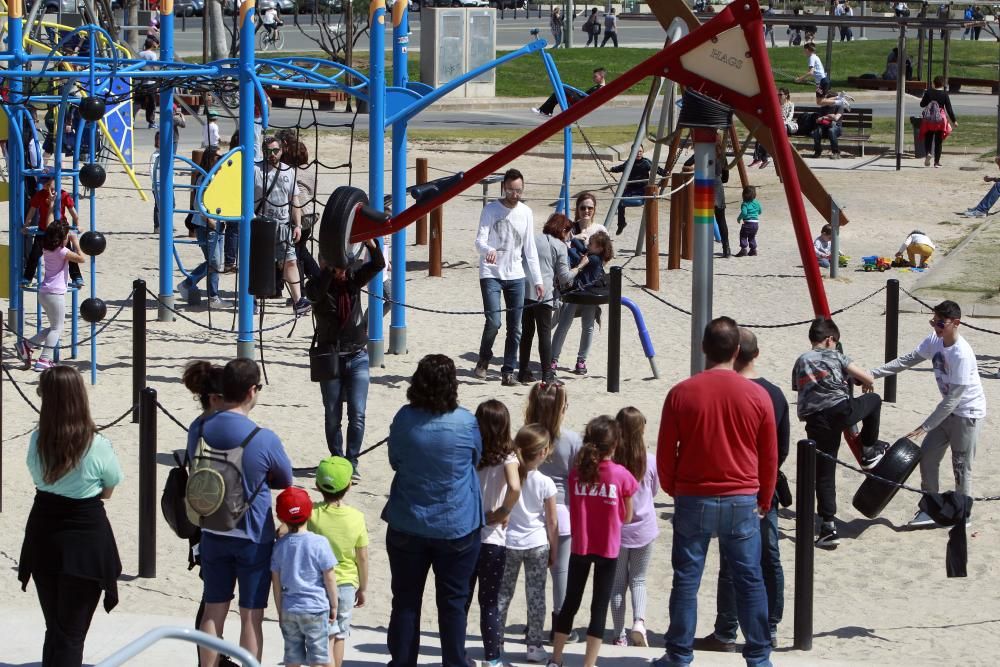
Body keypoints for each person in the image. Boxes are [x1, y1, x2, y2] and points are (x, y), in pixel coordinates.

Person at [653, 316, 776, 667]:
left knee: (687, 579)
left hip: (694, 495)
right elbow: (768, 456)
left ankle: (679, 655)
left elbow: (665, 451)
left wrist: (674, 487)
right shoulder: (757, 395)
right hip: (741, 497)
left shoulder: (681, 392)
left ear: (704, 348)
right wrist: (764, 497)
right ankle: (758, 657)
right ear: (737, 351)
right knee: (749, 578)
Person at [187, 358, 294, 667]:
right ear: (251, 391)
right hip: (252, 533)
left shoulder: (200, 428)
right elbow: (284, 479)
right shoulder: (262, 437)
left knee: (213, 610)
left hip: (211, 528)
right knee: (251, 616)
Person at [18, 365, 123, 667]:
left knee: (56, 628)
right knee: (71, 634)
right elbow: (109, 488)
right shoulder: (97, 444)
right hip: (84, 537)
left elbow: (38, 478)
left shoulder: (37, 440)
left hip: (43, 532)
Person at [382, 354, 483, 667]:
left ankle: (401, 663)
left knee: (405, 601)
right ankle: (454, 662)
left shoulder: (404, 418)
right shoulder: (465, 422)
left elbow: (395, 460)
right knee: (453, 604)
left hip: (408, 521)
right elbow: (475, 458)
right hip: (456, 525)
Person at [695, 328, 788, 652]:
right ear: (755, 354)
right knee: (767, 558)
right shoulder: (773, 394)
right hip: (761, 486)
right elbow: (782, 448)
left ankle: (727, 631)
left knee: (734, 562)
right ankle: (766, 628)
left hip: (736, 488)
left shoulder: (730, 392)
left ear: (734, 353)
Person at [869, 301, 987, 528]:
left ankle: (963, 515)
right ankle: (931, 509)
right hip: (946, 413)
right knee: (928, 457)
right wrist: (872, 374)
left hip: (967, 414)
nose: (936, 326)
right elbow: (907, 360)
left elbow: (954, 399)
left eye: (940, 323)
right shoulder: (934, 341)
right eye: (933, 321)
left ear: (956, 323)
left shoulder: (962, 354)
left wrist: (925, 426)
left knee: (961, 466)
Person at [549, 416, 637, 667]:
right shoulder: (621, 475)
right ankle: (589, 663)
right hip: (607, 547)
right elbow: (627, 516)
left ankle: (556, 658)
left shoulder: (577, 472)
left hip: (581, 544)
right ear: (615, 444)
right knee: (598, 607)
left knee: (570, 603)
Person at [792, 318, 884, 548]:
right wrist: (861, 381)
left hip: (815, 421)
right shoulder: (836, 356)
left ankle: (827, 526)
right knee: (873, 400)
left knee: (824, 472)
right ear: (830, 339)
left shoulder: (801, 360)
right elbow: (868, 378)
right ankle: (869, 448)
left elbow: (799, 386)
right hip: (840, 411)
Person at [306, 238, 384, 481]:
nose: (342, 271)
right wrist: (331, 270)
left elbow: (377, 264)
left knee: (357, 413)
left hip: (357, 355)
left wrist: (371, 245)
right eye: (335, 266)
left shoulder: (352, 282)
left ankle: (351, 460)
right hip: (331, 357)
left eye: (343, 266)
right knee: (332, 413)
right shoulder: (315, 287)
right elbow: (317, 292)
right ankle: (337, 458)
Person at [474, 168, 544, 386]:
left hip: (516, 275)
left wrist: (538, 280)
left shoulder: (526, 212)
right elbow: (479, 241)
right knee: (494, 322)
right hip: (491, 273)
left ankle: (508, 371)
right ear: (504, 187)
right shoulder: (490, 210)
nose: (515, 194)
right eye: (512, 190)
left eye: (519, 190)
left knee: (516, 327)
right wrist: (488, 250)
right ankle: (484, 358)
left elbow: (530, 249)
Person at [496, 424, 557, 664]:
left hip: (509, 541)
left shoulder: (507, 475)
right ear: (543, 453)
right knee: (536, 596)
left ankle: (497, 641)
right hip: (537, 543)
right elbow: (552, 521)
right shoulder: (545, 482)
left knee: (503, 594)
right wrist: (555, 548)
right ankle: (534, 645)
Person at [469, 400, 521, 667]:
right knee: (489, 602)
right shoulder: (507, 456)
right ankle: (493, 658)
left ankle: (454, 652)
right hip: (492, 539)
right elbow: (515, 486)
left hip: (467, 534)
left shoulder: (472, 453)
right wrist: (503, 511)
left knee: (461, 600)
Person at [531, 382, 584, 642]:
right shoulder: (572, 440)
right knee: (561, 570)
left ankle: (535, 623)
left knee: (535, 572)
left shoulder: (527, 436)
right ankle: (560, 625)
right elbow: (577, 479)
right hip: (562, 510)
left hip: (531, 510)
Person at [307, 456, 369, 667]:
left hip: (317, 584)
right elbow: (362, 556)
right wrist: (363, 587)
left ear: (317, 485)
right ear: (349, 485)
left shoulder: (312, 513)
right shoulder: (356, 517)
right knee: (340, 634)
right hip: (345, 584)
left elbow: (285, 529)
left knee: (323, 637)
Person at [271, 487, 338, 667]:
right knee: (319, 658)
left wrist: (279, 611)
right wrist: (334, 604)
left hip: (290, 608)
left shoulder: (279, 547)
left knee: (292, 658)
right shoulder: (319, 543)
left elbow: (275, 583)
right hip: (316, 607)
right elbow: (329, 577)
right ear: (310, 513)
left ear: (281, 518)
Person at [609, 407, 657, 648]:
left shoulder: (613, 462)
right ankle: (639, 621)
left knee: (618, 585)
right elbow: (655, 490)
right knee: (638, 579)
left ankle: (619, 634)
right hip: (644, 528)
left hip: (618, 530)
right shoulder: (649, 461)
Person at [15, 223, 86, 371]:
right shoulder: (63, 251)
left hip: (45, 293)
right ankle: (44, 359)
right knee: (57, 328)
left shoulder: (46, 249)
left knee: (54, 327)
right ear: (61, 239)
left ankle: (26, 345)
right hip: (55, 294)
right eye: (66, 236)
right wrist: (75, 241)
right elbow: (81, 258)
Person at [255, 135, 310, 315]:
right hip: (261, 224)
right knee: (259, 264)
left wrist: (298, 225)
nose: (271, 155)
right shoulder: (256, 170)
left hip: (283, 225)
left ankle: (298, 300)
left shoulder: (288, 171)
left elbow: (294, 200)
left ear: (282, 150)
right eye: (268, 151)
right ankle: (253, 300)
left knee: (290, 261)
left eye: (275, 151)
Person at [518, 213, 573, 384]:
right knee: (544, 334)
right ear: (563, 229)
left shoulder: (533, 238)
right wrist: (580, 267)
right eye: (568, 232)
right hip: (544, 293)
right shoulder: (560, 245)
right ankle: (547, 374)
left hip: (524, 290)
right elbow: (565, 277)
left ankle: (523, 371)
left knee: (527, 333)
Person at [551, 228, 613, 377]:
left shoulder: (594, 259)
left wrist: (566, 247)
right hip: (578, 293)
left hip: (588, 295)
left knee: (587, 326)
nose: (587, 245)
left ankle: (581, 360)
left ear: (599, 248)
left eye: (591, 244)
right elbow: (579, 246)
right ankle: (553, 359)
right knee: (564, 324)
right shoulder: (591, 253)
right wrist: (573, 238)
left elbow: (574, 254)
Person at [177, 147, 228, 307]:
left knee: (214, 262)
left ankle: (200, 289)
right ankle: (206, 292)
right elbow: (199, 204)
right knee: (214, 262)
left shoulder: (217, 176)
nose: (221, 159)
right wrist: (210, 221)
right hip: (207, 225)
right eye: (218, 156)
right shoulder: (204, 178)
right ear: (210, 159)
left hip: (217, 223)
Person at [22, 174, 82, 286]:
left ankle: (76, 276)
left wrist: (78, 224)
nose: (47, 186)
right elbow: (32, 210)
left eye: (49, 183)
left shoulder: (63, 194)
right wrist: (26, 224)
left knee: (68, 252)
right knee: (35, 254)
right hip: (44, 229)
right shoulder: (40, 195)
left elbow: (72, 210)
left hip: (61, 230)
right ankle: (27, 277)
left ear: (56, 181)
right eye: (45, 184)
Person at [609, 145, 666, 235]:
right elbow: (620, 168)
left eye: (640, 151)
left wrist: (665, 173)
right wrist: (611, 169)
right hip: (630, 189)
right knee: (618, 202)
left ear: (643, 152)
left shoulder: (646, 162)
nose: (639, 153)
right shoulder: (629, 162)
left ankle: (650, 227)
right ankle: (621, 223)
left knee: (649, 201)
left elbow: (657, 169)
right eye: (637, 152)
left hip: (642, 189)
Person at [750, 88, 796, 170]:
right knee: (760, 136)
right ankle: (758, 159)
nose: (778, 96)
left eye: (780, 94)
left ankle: (761, 159)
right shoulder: (776, 104)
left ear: (786, 95)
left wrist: (781, 123)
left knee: (767, 136)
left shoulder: (790, 105)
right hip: (774, 126)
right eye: (778, 94)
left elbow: (790, 117)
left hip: (784, 126)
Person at [533, 68, 606, 117]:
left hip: (582, 103)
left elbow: (590, 99)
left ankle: (546, 111)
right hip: (581, 99)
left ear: (602, 77)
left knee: (563, 88)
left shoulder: (601, 88)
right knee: (558, 92)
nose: (593, 78)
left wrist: (576, 92)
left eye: (595, 76)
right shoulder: (597, 87)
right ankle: (546, 111)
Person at [920, 76, 958, 168]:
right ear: (942, 84)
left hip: (929, 119)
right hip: (940, 120)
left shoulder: (928, 92)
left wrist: (928, 98)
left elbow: (922, 104)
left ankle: (928, 153)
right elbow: (949, 109)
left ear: (934, 83)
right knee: (938, 141)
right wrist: (954, 121)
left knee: (928, 137)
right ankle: (936, 162)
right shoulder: (944, 94)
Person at [811, 84, 843, 159]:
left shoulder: (839, 106)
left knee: (831, 130)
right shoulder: (824, 107)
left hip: (836, 128)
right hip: (824, 127)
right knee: (816, 131)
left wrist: (825, 117)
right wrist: (828, 116)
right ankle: (817, 151)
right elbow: (818, 120)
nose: (826, 102)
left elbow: (836, 118)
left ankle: (836, 152)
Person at [713, 140, 732, 258]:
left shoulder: (702, 153)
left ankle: (700, 247)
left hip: (704, 185)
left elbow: (688, 163)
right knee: (721, 220)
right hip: (717, 185)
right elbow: (726, 177)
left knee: (701, 220)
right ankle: (726, 248)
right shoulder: (721, 155)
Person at [136, 38, 158, 128]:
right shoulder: (152, 55)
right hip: (150, 82)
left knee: (137, 103)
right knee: (151, 103)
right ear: (152, 45)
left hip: (139, 82)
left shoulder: (139, 54)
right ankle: (151, 122)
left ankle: (131, 120)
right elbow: (155, 67)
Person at [735, 185, 762, 258]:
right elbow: (760, 211)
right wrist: (756, 213)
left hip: (747, 223)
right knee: (752, 236)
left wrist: (739, 218)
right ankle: (753, 250)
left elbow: (744, 213)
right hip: (756, 223)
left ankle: (743, 249)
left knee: (743, 236)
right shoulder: (756, 203)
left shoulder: (745, 204)